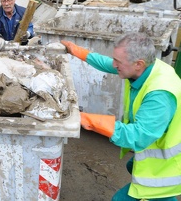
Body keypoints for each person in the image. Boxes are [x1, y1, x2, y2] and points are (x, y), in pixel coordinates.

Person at [61, 33, 181, 201]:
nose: (114, 64)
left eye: (118, 61)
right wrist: (78, 51)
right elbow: (107, 64)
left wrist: (86, 119)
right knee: (133, 168)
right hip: (157, 149)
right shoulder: (147, 67)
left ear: (138, 64)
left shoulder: (160, 94)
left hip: (166, 166)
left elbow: (137, 136)